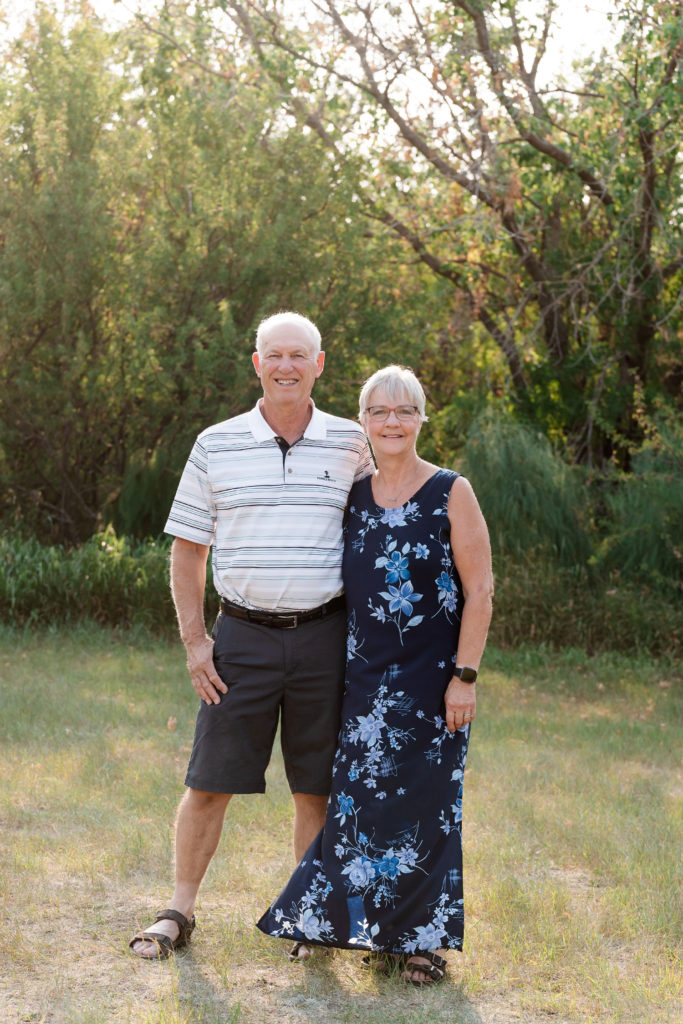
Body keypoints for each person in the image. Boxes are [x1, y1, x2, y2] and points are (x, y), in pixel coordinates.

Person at [129, 312, 374, 959]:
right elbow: (187, 552)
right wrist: (193, 642)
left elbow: (382, 534)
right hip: (239, 639)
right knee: (208, 781)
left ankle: (310, 918)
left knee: (315, 787)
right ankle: (177, 911)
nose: (285, 366)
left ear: (318, 364)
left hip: (326, 637)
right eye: (274, 355)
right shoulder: (217, 443)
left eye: (298, 355)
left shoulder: (351, 442)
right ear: (256, 363)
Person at [257, 365, 493, 985]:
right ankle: (341, 924)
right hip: (362, 685)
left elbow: (482, 590)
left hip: (433, 685)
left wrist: (464, 677)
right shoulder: (353, 493)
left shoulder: (451, 491)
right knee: (359, 809)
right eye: (380, 412)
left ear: (420, 418)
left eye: (404, 411)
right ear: (363, 422)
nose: (392, 422)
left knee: (429, 808)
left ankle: (421, 943)